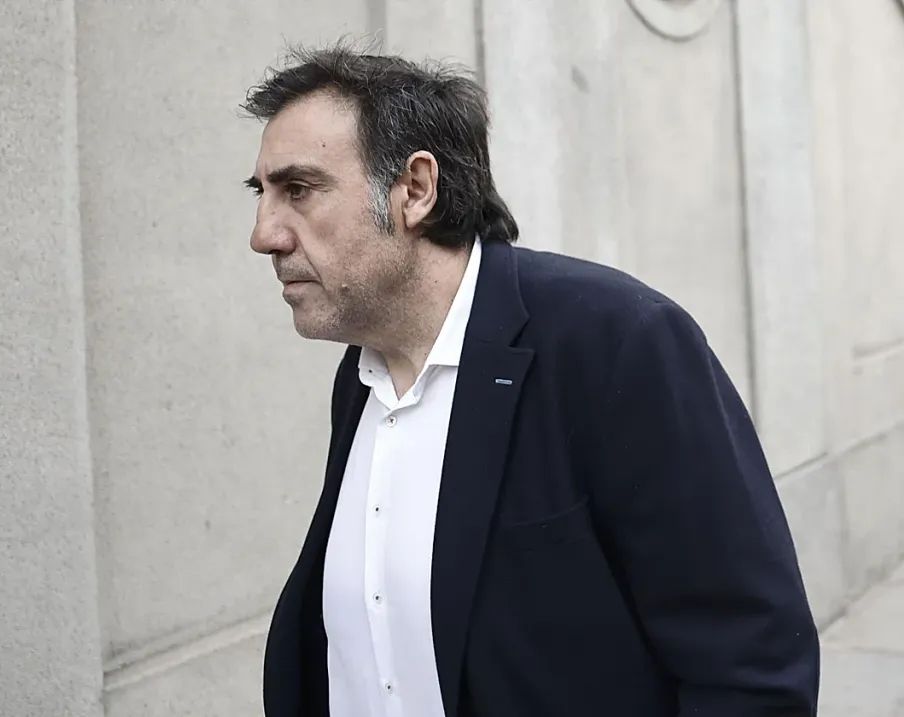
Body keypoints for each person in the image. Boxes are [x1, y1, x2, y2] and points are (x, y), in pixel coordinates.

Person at [242, 43, 819, 717]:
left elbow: (751, 662)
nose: (264, 234)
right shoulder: (362, 373)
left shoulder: (616, 342)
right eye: (263, 195)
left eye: (299, 190)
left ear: (415, 189)